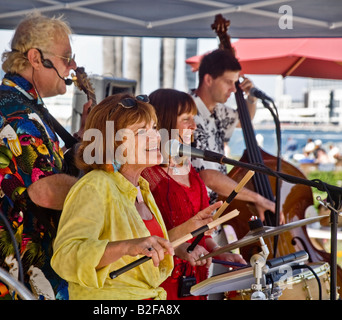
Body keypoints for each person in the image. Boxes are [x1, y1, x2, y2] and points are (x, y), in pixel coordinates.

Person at [0, 12, 90, 300]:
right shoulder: (12, 113)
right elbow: (45, 191)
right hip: (8, 280)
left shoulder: (23, 106)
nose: (73, 66)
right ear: (35, 58)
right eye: (67, 57)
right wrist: (105, 194)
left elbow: (45, 171)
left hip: (21, 273)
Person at [51, 93, 221, 300]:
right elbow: (65, 256)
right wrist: (126, 247)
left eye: (154, 128)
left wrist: (188, 228)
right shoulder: (95, 185)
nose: (156, 137)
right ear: (113, 143)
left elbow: (145, 249)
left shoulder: (142, 188)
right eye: (141, 131)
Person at [141, 88, 246, 300]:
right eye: (186, 119)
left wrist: (219, 251)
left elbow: (202, 233)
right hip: (160, 283)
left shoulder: (189, 170)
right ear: (165, 122)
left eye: (194, 118)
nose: (194, 126)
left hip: (194, 282)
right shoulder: (146, 176)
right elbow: (142, 236)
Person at [191, 49, 279, 223]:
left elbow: (244, 119)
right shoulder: (188, 112)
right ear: (208, 79)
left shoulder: (219, 111)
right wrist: (257, 198)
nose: (233, 88)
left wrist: (251, 98)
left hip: (214, 213)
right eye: (228, 82)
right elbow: (207, 176)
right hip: (195, 212)